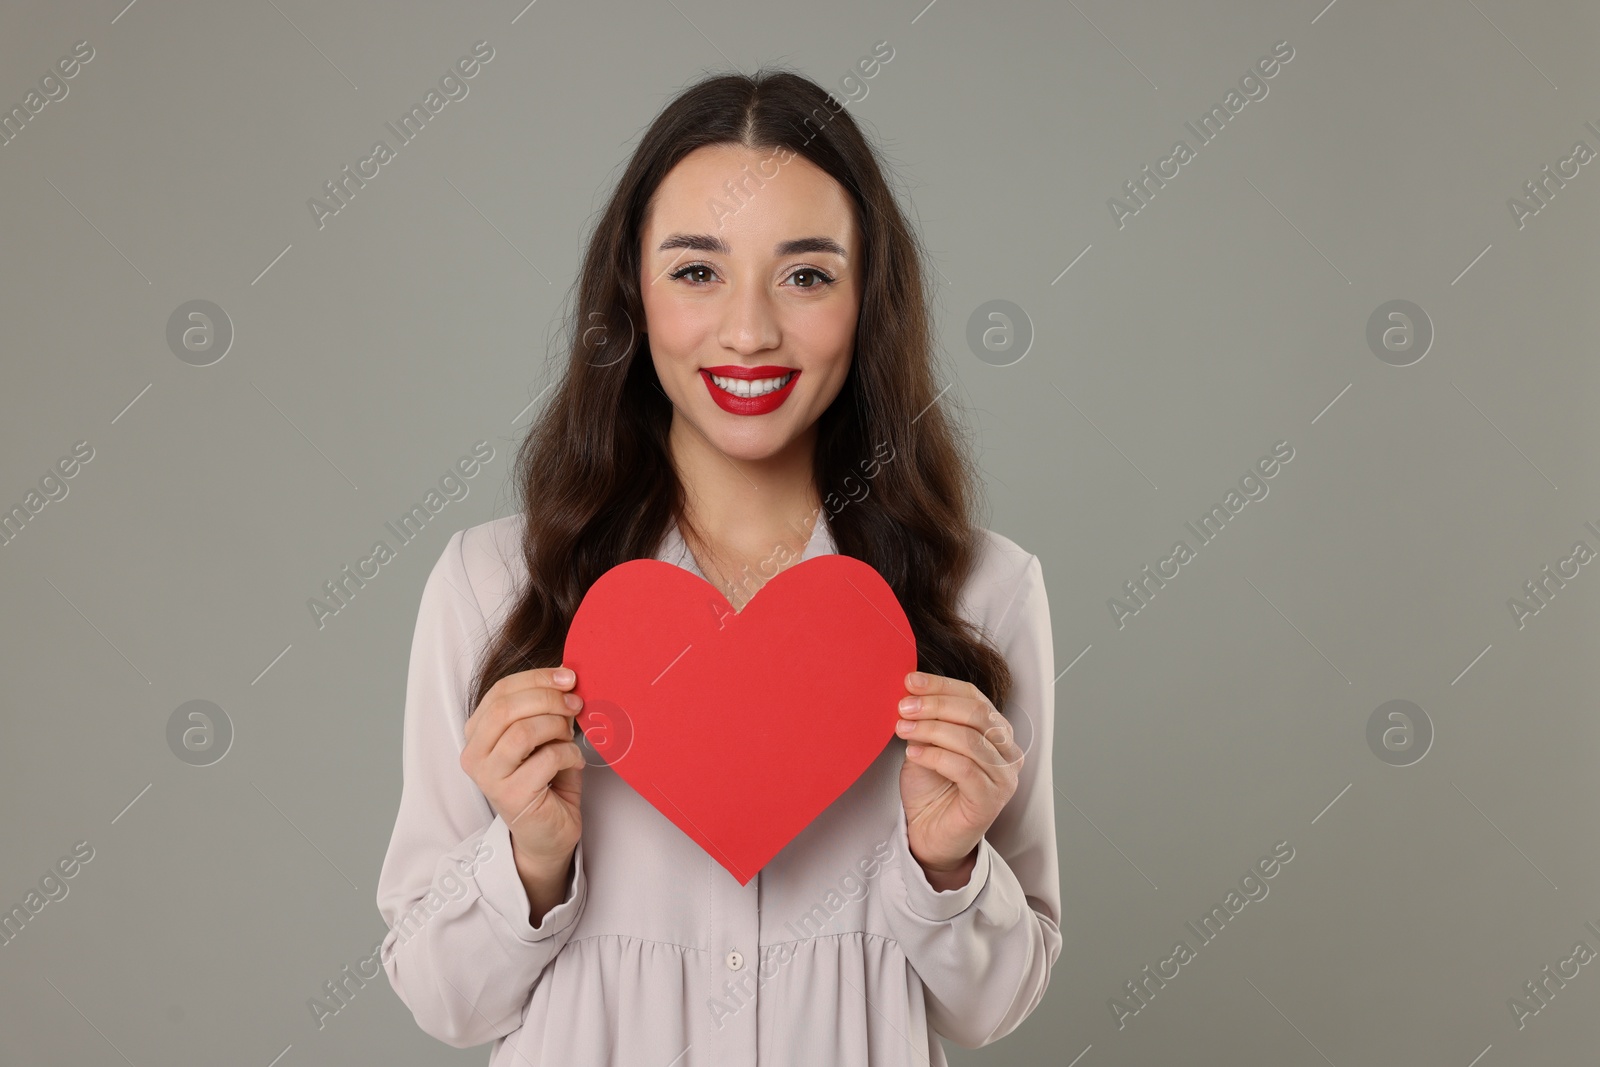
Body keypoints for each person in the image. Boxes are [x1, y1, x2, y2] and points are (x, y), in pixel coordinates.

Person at [375, 67, 1060, 1066]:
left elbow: (991, 1006)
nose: (748, 330)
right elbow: (445, 1002)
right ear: (632, 294)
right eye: (697, 270)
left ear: (868, 299)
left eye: (807, 274)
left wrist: (946, 861)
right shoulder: (491, 584)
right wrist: (528, 858)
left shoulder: (984, 595)